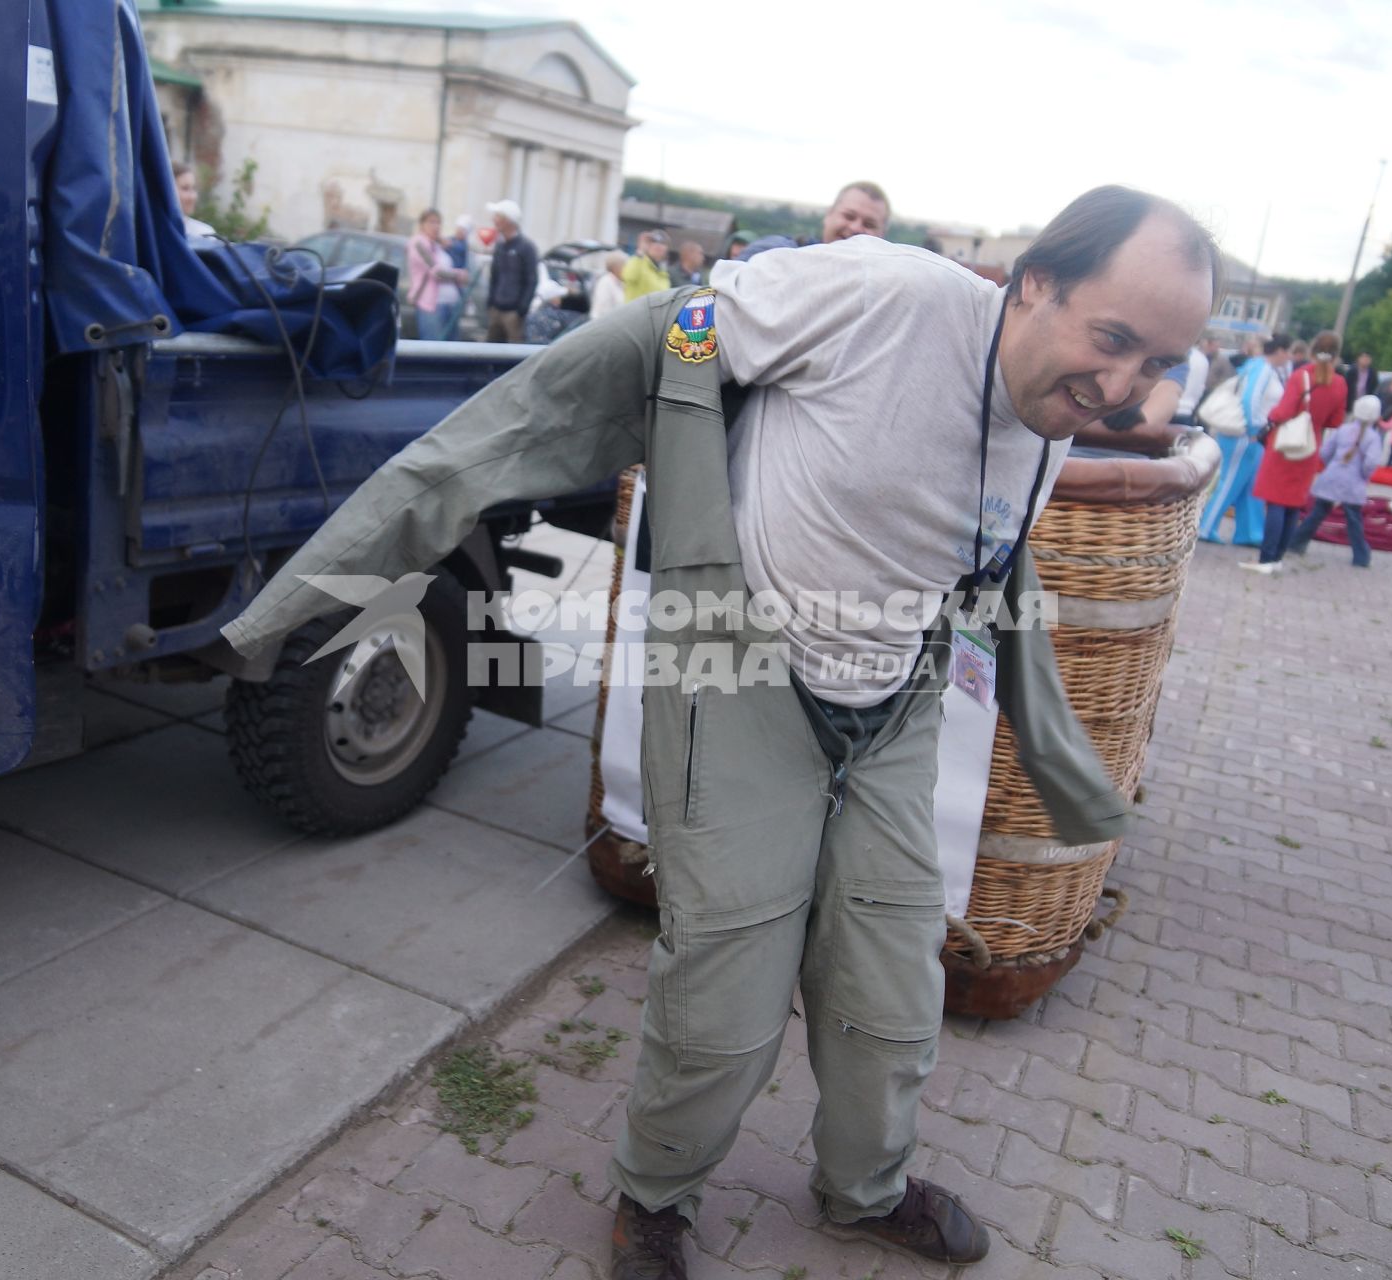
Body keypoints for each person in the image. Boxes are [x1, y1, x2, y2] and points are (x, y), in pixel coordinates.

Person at [217, 184, 1218, 1280]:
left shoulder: (1049, 416)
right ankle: (654, 1196)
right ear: (1032, 282)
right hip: (739, 681)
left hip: (888, 716)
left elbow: (984, 547)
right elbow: (665, 337)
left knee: (892, 997)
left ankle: (863, 1187)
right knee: (724, 1002)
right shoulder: (875, 292)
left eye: (1156, 361)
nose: (1122, 390)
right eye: (1110, 339)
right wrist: (682, 484)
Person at [1244, 330, 1347, 574]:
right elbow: (1336, 420)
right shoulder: (1339, 382)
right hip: (1310, 446)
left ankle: (1266, 559)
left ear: (1311, 350)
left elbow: (1283, 411)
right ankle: (1278, 557)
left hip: (1285, 444)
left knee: (1275, 501)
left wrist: (1270, 419)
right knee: (1293, 503)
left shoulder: (1302, 376)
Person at [1197, 336, 1287, 546]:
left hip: (1247, 434)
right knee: (1228, 481)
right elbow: (1250, 397)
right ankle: (1205, 526)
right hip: (1245, 434)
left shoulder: (1257, 366)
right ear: (1280, 350)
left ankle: (1250, 531)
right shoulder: (1263, 368)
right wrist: (1253, 427)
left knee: (1250, 483)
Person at [1287, 394, 1383, 567]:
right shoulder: (1373, 438)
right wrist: (1364, 476)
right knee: (1354, 521)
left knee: (1316, 514)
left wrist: (1335, 465)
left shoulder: (1343, 429)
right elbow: (1370, 463)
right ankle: (1360, 556)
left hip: (1331, 477)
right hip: (1353, 483)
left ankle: (1296, 542)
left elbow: (1325, 453)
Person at [740, 181, 891, 258]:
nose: (856, 228)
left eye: (869, 224)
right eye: (849, 216)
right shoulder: (776, 252)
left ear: (882, 235)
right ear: (829, 215)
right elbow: (717, 293)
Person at [407, 208, 467, 341]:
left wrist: (445, 243)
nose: (436, 226)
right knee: (433, 348)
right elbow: (436, 271)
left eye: (438, 223)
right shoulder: (418, 243)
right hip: (430, 305)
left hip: (450, 304)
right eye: (431, 222)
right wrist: (459, 274)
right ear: (422, 224)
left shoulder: (436, 244)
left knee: (450, 351)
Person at [484, 198, 539, 343]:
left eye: (497, 217)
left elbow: (531, 279)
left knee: (514, 350)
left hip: (513, 312)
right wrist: (491, 302)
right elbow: (494, 276)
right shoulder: (500, 246)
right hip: (497, 308)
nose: (494, 220)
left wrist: (521, 309)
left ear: (507, 220)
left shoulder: (526, 248)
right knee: (490, 350)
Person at [622, 230, 671, 301]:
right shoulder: (639, 261)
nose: (658, 246)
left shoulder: (663, 270)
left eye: (663, 243)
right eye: (654, 242)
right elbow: (628, 277)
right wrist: (640, 252)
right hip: (636, 311)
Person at [172, 162, 217, 239]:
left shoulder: (204, 234)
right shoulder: (150, 231)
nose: (193, 197)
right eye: (185, 188)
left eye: (194, 188)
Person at [1173, 341, 1210, 426]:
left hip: (1166, 408)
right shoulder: (1202, 359)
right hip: (1188, 410)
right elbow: (1201, 387)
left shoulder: (1178, 354)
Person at [590, 249, 628, 320]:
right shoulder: (605, 282)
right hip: (604, 324)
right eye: (624, 265)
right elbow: (603, 310)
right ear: (616, 267)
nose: (627, 268)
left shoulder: (621, 282)